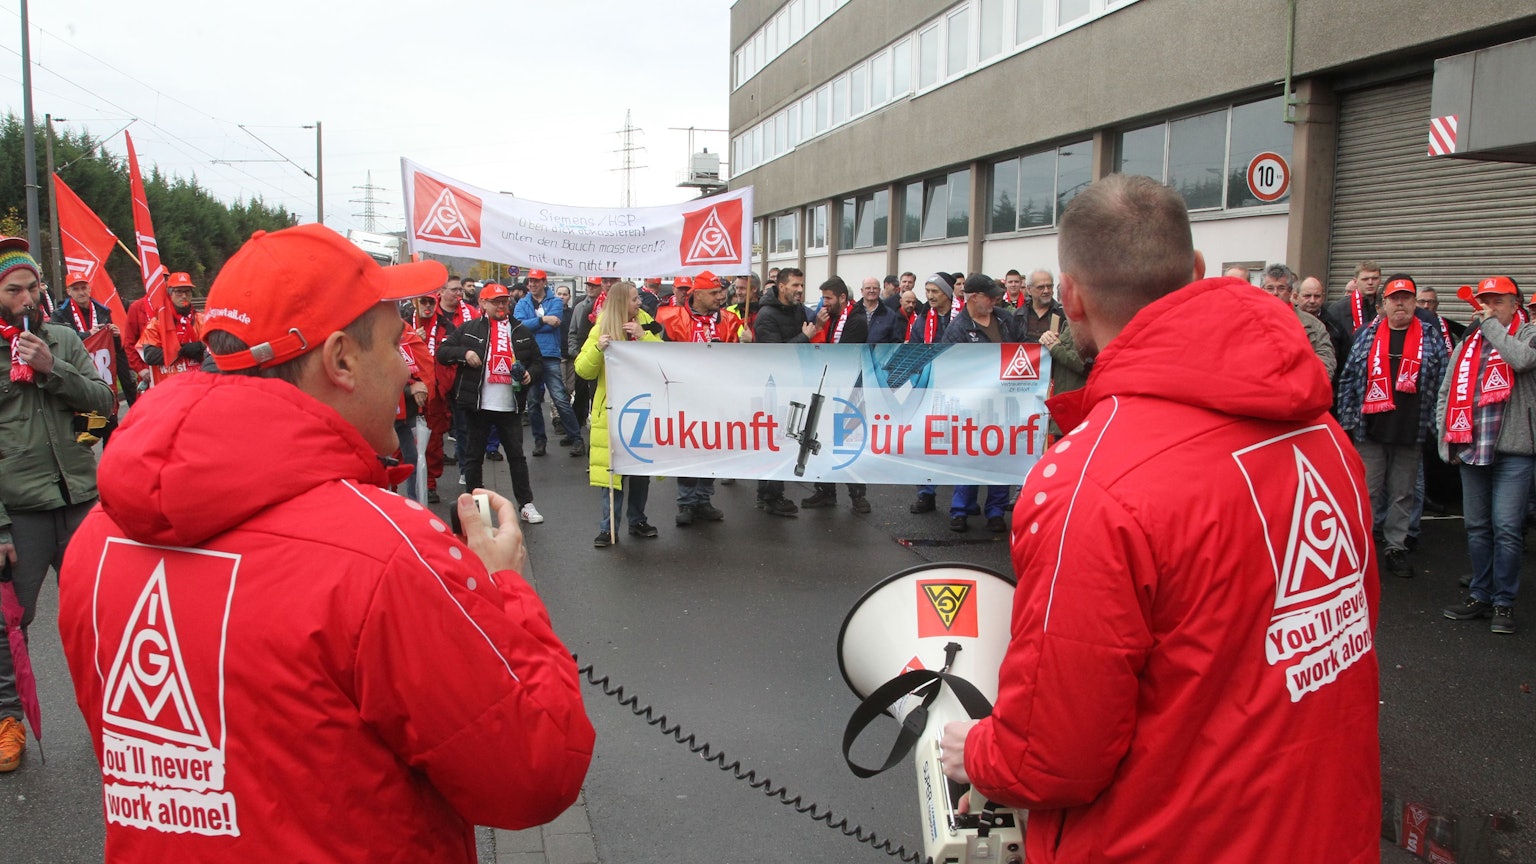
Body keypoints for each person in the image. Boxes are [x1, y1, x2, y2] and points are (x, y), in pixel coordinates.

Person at [56, 224, 591, 858]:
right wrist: (505, 593)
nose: (407, 366)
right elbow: (534, 772)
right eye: (393, 343)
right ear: (340, 360)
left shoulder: (97, 538)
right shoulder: (390, 553)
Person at [938, 174, 1379, 864]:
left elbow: (1051, 756)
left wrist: (977, 752)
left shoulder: (1091, 481)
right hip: (1326, 831)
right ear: (1196, 270)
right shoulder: (1322, 434)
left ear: (1070, 296)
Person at [0, 240, 115, 772]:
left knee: (101, 616)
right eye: (13, 290)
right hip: (20, 511)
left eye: (32, 288)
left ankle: (112, 718)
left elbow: (103, 402)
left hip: (80, 502)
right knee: (9, 625)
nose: (26, 298)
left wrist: (51, 368)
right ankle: (8, 723)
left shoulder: (63, 338)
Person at [1438, 277, 1536, 635]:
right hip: (1472, 447)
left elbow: (1521, 360)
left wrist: (1491, 326)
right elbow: (1447, 390)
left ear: (1515, 305)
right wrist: (1445, 438)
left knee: (1507, 528)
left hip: (1515, 450)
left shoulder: (1528, 334)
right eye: (1485, 301)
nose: (1488, 307)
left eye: (1497, 301)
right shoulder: (1469, 341)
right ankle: (1480, 594)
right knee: (1477, 526)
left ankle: (1503, 602)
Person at [1335, 275, 1449, 577]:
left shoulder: (1430, 336)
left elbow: (1444, 381)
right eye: (1394, 298)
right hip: (1369, 430)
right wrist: (1347, 422)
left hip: (1411, 430)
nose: (1400, 303)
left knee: (1402, 494)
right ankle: (1360, 550)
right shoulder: (1367, 334)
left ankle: (1395, 548)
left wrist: (1437, 426)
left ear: (1414, 302)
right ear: (1384, 303)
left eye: (1406, 298)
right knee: (1367, 493)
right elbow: (1348, 379)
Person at [437, 282, 545, 524]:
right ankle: (475, 505)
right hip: (479, 405)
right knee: (473, 457)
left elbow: (537, 362)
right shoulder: (469, 329)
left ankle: (526, 504)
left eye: (504, 301)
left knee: (517, 456)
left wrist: (530, 374)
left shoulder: (520, 330)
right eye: (495, 302)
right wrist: (464, 354)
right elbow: (443, 352)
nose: (501, 306)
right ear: (483, 304)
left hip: (510, 405)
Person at [656, 270, 747, 525]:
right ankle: (686, 503)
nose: (720, 297)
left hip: (717, 397)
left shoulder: (730, 320)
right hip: (684, 398)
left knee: (712, 448)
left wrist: (747, 343)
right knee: (687, 449)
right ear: (697, 294)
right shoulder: (672, 317)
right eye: (714, 293)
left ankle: (704, 500)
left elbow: (739, 359)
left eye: (721, 292)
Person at [577, 282, 663, 546]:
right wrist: (598, 348)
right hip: (612, 410)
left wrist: (643, 336)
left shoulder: (647, 323)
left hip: (641, 408)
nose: (639, 303)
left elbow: (663, 360)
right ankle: (608, 528)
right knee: (611, 475)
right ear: (620, 303)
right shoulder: (601, 327)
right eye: (635, 299)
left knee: (639, 471)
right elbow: (583, 370)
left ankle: (637, 520)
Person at [942, 275, 1022, 532]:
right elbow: (950, 369)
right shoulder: (957, 329)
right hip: (972, 406)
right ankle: (960, 509)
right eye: (990, 296)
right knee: (969, 455)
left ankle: (996, 511)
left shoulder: (1005, 319)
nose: (995, 300)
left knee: (1001, 455)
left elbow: (1022, 350)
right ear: (974, 296)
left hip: (1005, 401)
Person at [801, 277, 872, 513]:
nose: (825, 303)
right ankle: (825, 490)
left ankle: (857, 495)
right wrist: (819, 327)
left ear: (842, 298)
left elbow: (841, 355)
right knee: (822, 438)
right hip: (829, 386)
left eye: (828, 298)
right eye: (823, 298)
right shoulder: (828, 318)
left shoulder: (856, 320)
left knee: (848, 442)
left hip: (849, 389)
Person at [749, 267, 813, 516]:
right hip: (772, 388)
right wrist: (804, 337)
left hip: (790, 385)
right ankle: (771, 496)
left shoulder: (797, 310)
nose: (800, 290)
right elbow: (775, 355)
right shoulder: (766, 315)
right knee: (775, 440)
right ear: (782, 286)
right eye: (795, 285)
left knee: (783, 439)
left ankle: (766, 494)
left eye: (801, 285)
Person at [515, 269, 584, 457]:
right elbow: (519, 325)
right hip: (529, 357)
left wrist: (533, 323)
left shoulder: (555, 302)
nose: (532, 284)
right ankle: (540, 442)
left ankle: (576, 439)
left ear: (544, 282)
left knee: (560, 398)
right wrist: (543, 320)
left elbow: (555, 323)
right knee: (533, 401)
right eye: (530, 281)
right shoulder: (522, 302)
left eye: (536, 281)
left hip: (549, 355)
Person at [905, 273, 958, 514]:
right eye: (927, 291)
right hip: (930, 388)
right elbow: (915, 350)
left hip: (957, 388)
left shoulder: (962, 318)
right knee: (925, 443)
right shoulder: (923, 320)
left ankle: (962, 502)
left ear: (947, 293)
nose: (930, 296)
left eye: (934, 291)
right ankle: (925, 493)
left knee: (959, 443)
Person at [1259, 263, 1336, 379]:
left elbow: (1326, 360)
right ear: (1261, 290)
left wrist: (1307, 383)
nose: (1275, 293)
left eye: (1281, 288)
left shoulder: (1313, 325)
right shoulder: (1249, 320)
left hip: (1299, 386)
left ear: (1290, 291)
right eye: (1270, 288)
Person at [137, 272, 205, 385]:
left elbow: (215, 350)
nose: (184, 296)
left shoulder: (202, 320)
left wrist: (201, 347)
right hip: (168, 386)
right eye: (179, 291)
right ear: (170, 293)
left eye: (187, 291)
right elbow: (150, 355)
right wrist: (180, 350)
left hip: (198, 384)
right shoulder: (157, 323)